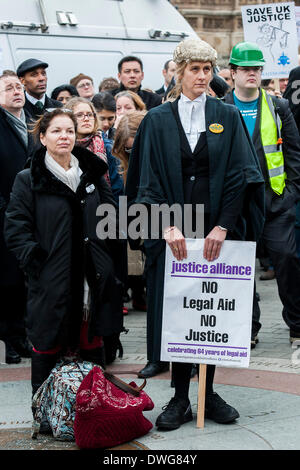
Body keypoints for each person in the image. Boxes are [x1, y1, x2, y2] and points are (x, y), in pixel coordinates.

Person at [125, 38, 265, 429]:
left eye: (207, 69)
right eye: (195, 69)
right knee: (178, 314)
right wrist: (166, 225)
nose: (202, 77)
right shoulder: (156, 119)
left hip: (218, 230)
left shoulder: (227, 114)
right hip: (172, 232)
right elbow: (146, 181)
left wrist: (224, 226)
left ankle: (206, 393)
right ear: (179, 71)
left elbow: (243, 176)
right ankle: (181, 397)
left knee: (211, 315)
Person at [4, 108, 123, 400]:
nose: (64, 136)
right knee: (47, 342)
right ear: (42, 137)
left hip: (90, 274)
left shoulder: (93, 172)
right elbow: (16, 227)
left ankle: (97, 404)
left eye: (69, 130)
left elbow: (112, 218)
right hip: (52, 277)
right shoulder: (27, 178)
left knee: (91, 340)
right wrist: (36, 263)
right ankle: (42, 408)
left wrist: (106, 260)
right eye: (56, 131)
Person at [225, 41, 300, 345]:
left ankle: (297, 325)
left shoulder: (278, 106)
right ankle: (248, 329)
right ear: (233, 72)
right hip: (236, 207)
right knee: (241, 270)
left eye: (256, 68)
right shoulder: (219, 108)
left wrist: (292, 193)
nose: (252, 73)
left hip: (276, 202)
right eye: (246, 68)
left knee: (288, 259)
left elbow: (294, 154)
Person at [0, 72, 32, 364]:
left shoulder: (34, 120)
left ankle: (22, 335)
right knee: (8, 280)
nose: (16, 92)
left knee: (27, 278)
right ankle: (9, 338)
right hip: (5, 213)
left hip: (33, 214)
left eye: (18, 87)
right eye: (8, 88)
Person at [66, 97, 110, 185]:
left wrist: (122, 200)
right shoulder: (63, 148)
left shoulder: (108, 146)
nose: (86, 119)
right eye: (79, 115)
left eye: (89, 115)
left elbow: (121, 187)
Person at [17, 58, 62, 123]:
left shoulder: (58, 107)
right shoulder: (17, 108)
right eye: (34, 75)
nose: (41, 78)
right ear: (22, 81)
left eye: (43, 74)